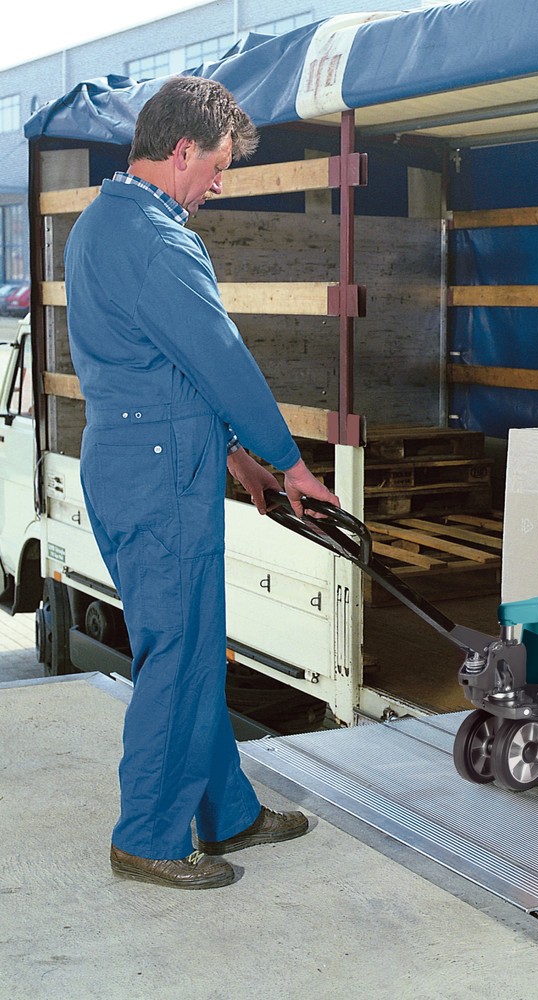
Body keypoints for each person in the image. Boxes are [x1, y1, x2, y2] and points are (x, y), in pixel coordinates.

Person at [64, 76, 340, 889]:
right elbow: (221, 359)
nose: (219, 185)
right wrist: (289, 460)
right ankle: (149, 835)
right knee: (179, 654)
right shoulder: (156, 240)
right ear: (182, 150)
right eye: (217, 167)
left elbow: (166, 368)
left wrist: (236, 457)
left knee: (188, 648)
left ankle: (226, 811)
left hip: (140, 461)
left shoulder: (102, 223)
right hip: (160, 481)